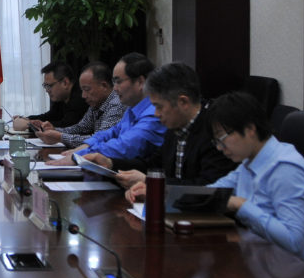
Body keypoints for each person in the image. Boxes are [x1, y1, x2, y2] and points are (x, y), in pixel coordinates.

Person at [205, 91, 304, 271]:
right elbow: (210, 192)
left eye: (222, 138)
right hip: (268, 264)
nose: (219, 148)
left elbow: (294, 242)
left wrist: (241, 205)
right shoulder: (248, 163)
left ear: (250, 129)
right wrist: (175, 197)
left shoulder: (286, 169)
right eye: (216, 141)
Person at [80, 62, 234, 196]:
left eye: (159, 106)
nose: (156, 113)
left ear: (183, 102)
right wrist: (110, 163)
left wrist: (150, 182)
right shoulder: (174, 128)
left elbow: (208, 187)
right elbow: (153, 164)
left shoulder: (214, 133)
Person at [44, 53, 165, 166]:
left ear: (140, 82)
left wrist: (80, 156)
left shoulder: (154, 114)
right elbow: (111, 133)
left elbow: (124, 146)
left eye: (118, 82)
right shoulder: (132, 109)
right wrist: (85, 146)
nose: (115, 88)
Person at [31, 61, 126, 147]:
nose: (83, 95)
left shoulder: (116, 104)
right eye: (82, 90)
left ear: (104, 86)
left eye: (87, 89)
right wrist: (54, 130)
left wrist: (61, 137)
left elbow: (100, 140)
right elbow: (80, 128)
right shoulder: (96, 103)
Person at [13, 61, 88, 132]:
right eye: (45, 86)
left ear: (65, 83)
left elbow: (67, 126)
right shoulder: (61, 97)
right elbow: (50, 117)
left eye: (50, 85)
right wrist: (28, 119)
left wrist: (29, 124)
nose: (47, 90)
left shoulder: (81, 98)